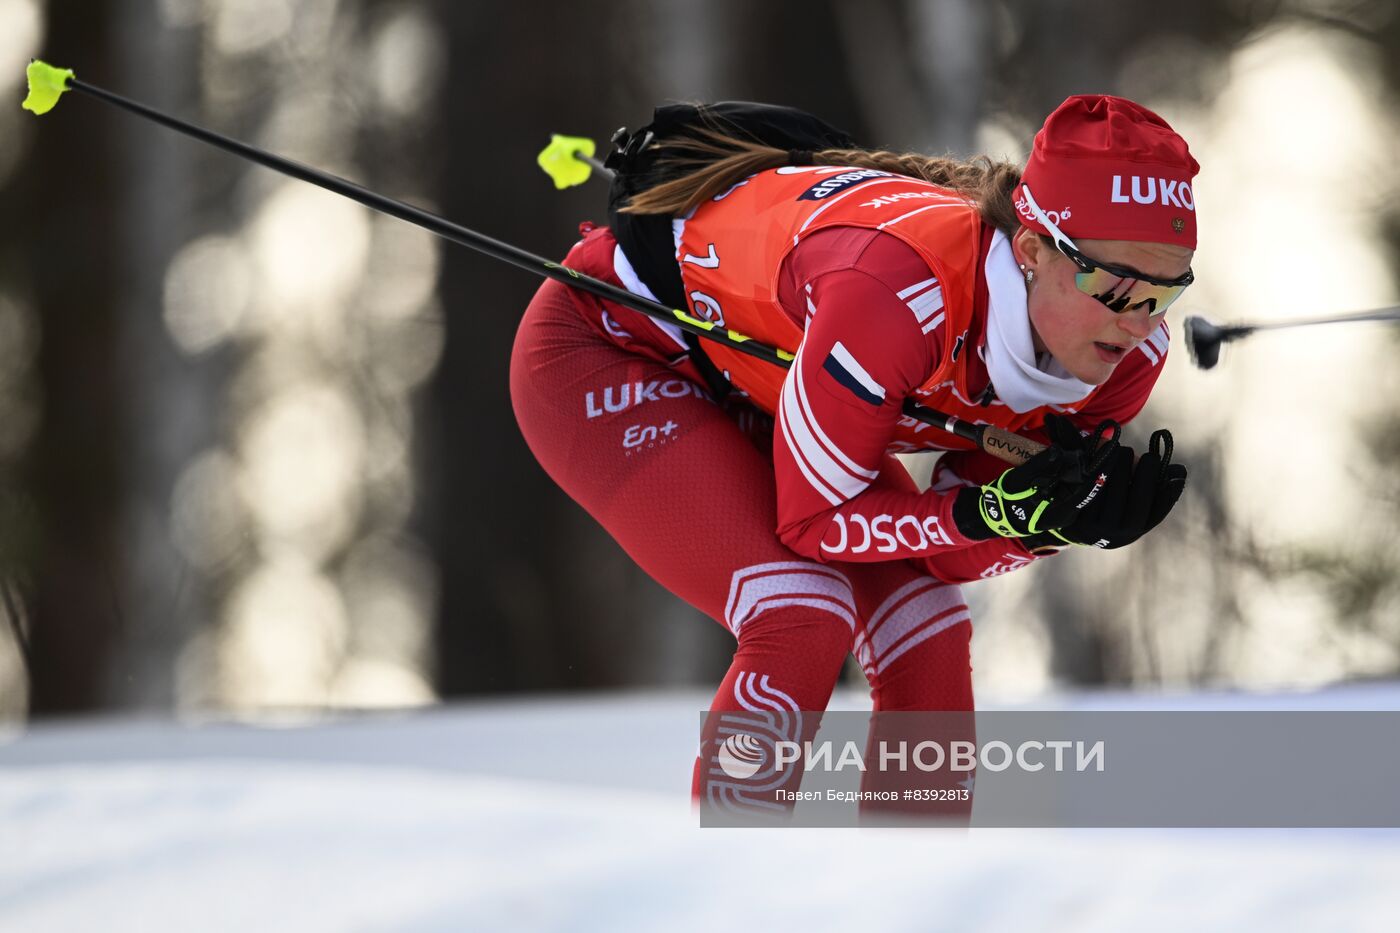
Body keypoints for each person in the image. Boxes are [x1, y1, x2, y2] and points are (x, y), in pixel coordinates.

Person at [509, 95, 1194, 820]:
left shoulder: (1129, 357)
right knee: (801, 609)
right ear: (1030, 249)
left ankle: (911, 895)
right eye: (1113, 283)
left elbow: (946, 553)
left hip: (764, 379)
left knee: (926, 625)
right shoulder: (900, 294)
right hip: (611, 348)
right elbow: (818, 525)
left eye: (1164, 290)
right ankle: (722, 890)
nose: (1136, 319)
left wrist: (1042, 521)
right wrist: (990, 512)